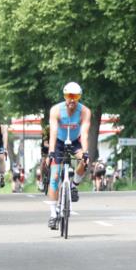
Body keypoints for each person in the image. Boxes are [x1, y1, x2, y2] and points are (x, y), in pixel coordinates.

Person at [46, 81, 92, 229]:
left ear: (79, 97)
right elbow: (52, 132)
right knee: (54, 177)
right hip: (59, 142)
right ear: (65, 96)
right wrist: (51, 151)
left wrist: (85, 153)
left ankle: (73, 185)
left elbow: (84, 134)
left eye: (75, 96)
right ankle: (53, 214)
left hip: (75, 142)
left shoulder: (84, 111)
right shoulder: (56, 110)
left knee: (84, 162)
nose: (72, 100)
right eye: (69, 96)